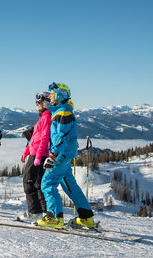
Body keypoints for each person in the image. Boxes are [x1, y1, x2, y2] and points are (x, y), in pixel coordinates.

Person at [36, 82, 94, 229]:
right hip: (65, 154)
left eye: (53, 94)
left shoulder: (63, 112)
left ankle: (55, 218)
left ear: (60, 94)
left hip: (60, 155)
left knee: (47, 184)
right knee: (70, 185)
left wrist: (53, 155)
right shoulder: (61, 111)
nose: (50, 96)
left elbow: (61, 136)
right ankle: (86, 217)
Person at [18, 92, 52, 221]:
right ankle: (43, 212)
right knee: (38, 183)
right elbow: (34, 139)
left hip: (39, 154)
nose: (36, 105)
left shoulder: (46, 117)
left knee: (28, 182)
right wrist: (26, 153)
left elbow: (44, 138)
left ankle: (34, 212)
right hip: (35, 153)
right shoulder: (43, 117)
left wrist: (37, 156)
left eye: (38, 102)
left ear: (45, 103)